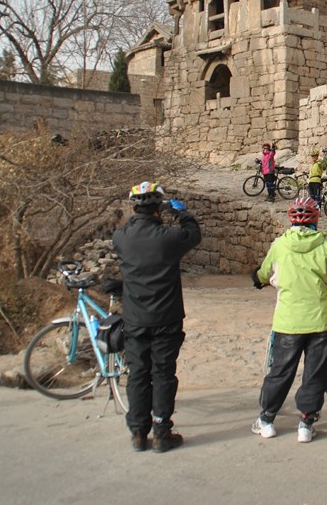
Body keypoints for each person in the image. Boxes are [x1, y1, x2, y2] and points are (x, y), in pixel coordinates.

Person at [251, 197, 327, 443]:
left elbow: (265, 273)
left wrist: (261, 279)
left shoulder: (279, 245)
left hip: (288, 321)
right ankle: (306, 422)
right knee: (315, 373)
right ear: (316, 219)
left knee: (280, 371)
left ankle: (267, 419)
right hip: (321, 320)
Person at [112, 181, 201, 453]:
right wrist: (182, 213)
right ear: (159, 208)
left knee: (138, 374)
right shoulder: (169, 237)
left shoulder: (121, 237)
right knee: (163, 373)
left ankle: (139, 433)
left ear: (133, 208)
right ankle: (162, 432)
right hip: (166, 317)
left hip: (135, 318)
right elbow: (193, 234)